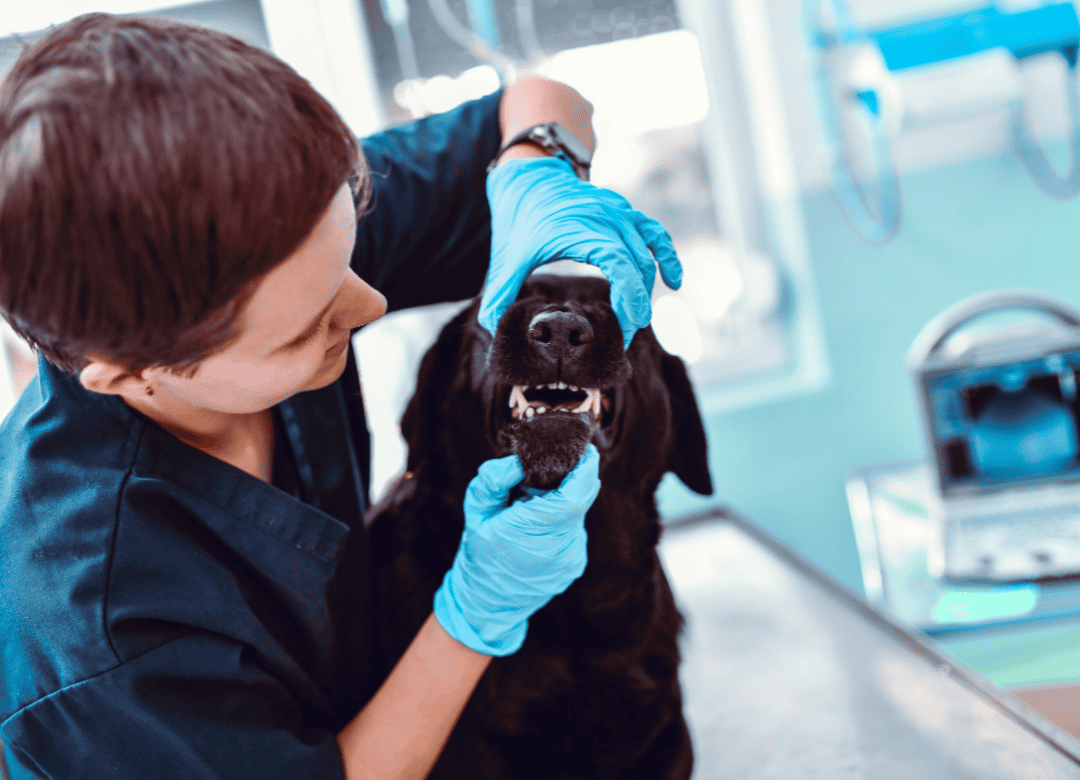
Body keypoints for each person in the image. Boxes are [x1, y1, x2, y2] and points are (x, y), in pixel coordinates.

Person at [0, 13, 682, 779]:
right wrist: (477, 615)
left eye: (350, 251)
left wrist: (538, 169)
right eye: (305, 328)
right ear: (131, 372)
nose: (369, 307)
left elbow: (539, 96)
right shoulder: (96, 634)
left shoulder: (277, 223)